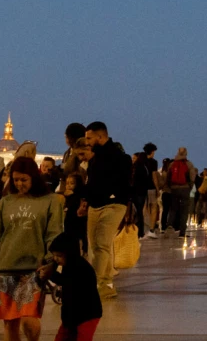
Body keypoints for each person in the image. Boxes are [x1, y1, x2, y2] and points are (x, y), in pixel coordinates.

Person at [0, 158, 63, 341]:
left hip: (33, 270)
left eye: (24, 180)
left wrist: (50, 263)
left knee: (29, 321)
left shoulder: (50, 201)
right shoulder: (4, 203)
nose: (19, 184)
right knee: (10, 322)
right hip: (6, 268)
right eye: (15, 180)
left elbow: (54, 235)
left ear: (34, 178)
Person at [80, 123, 129, 300]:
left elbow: (123, 183)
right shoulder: (94, 158)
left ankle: (95, 285)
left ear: (100, 137)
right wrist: (85, 202)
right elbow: (92, 182)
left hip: (113, 204)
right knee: (97, 245)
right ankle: (106, 285)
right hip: (95, 204)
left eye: (89, 138)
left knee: (101, 244)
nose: (87, 142)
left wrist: (117, 199)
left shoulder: (118, 156)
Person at [41, 232, 101, 341]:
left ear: (70, 254)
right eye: (54, 255)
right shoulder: (69, 264)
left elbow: (67, 281)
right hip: (71, 315)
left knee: (83, 337)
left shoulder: (81, 268)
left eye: (59, 256)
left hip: (88, 314)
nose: (56, 259)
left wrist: (50, 274)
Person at [164, 149, 194, 236]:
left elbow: (168, 176)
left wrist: (169, 187)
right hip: (185, 188)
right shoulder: (189, 164)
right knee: (184, 210)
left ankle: (169, 226)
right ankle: (182, 232)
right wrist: (190, 186)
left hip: (174, 188)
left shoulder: (172, 164)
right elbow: (192, 177)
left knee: (173, 209)